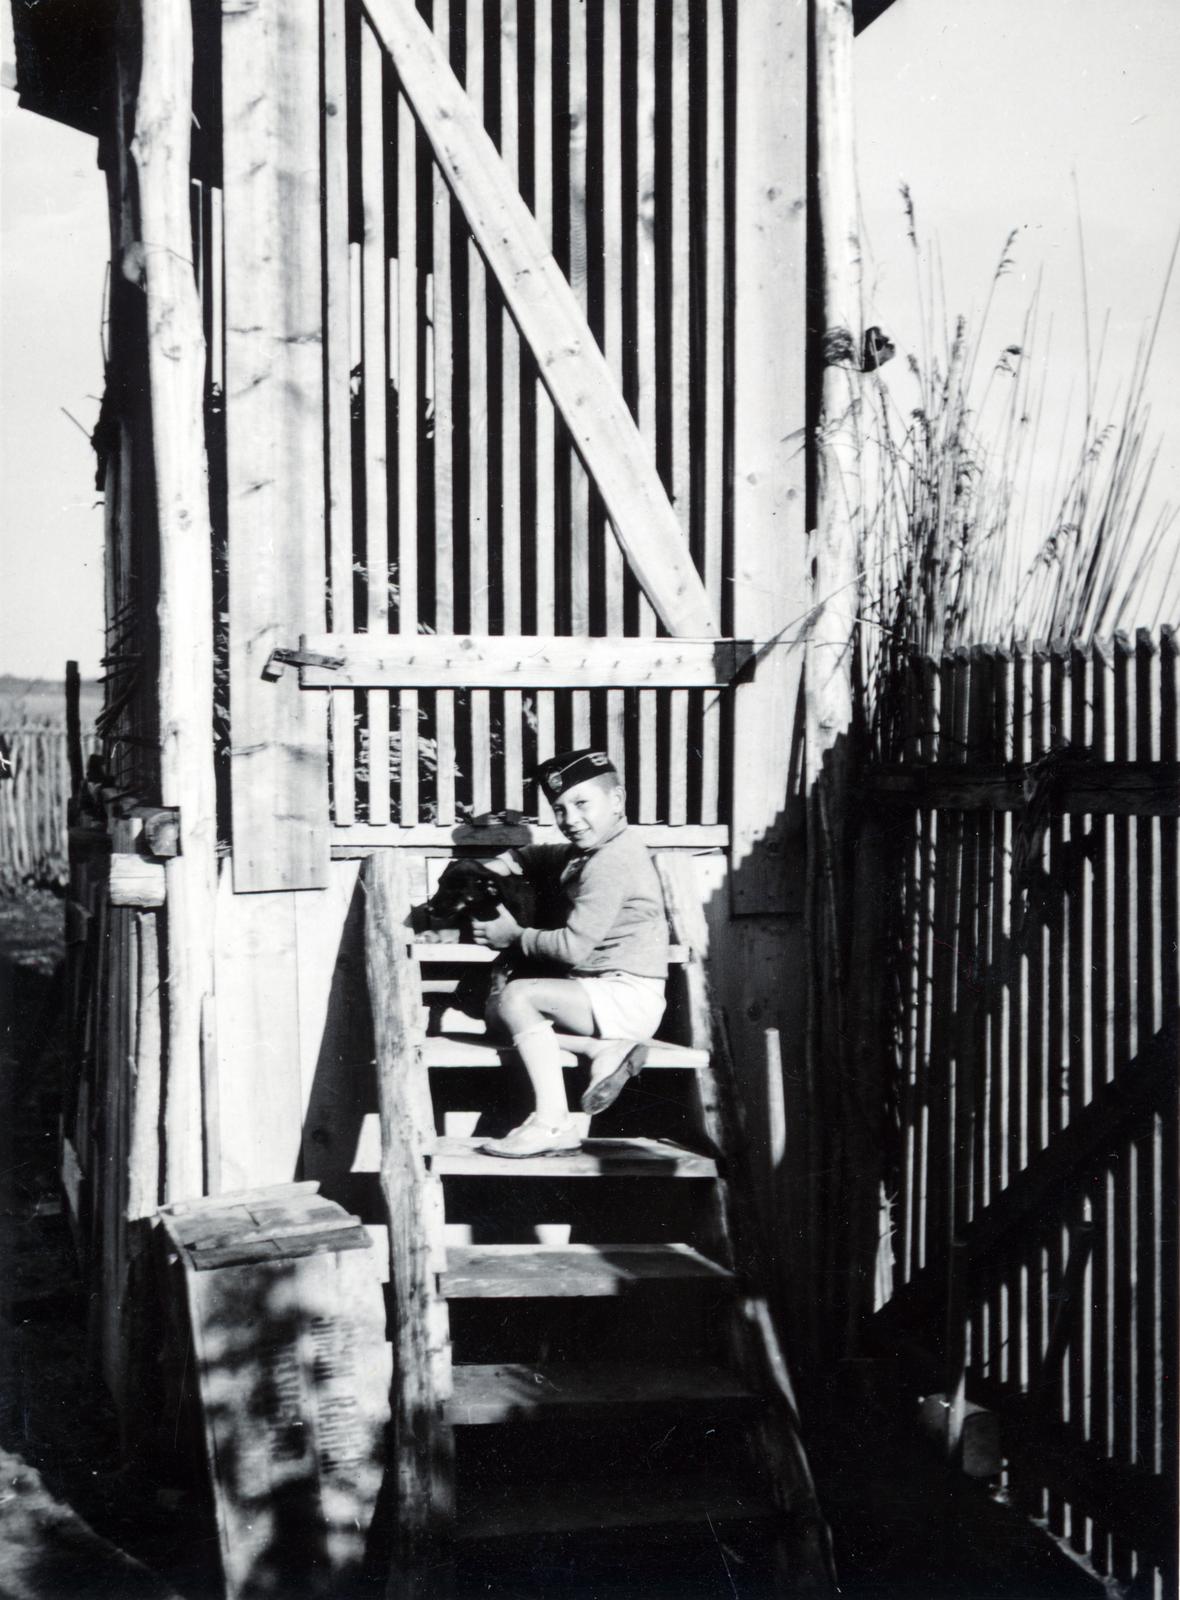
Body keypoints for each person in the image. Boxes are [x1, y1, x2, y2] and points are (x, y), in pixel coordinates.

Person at [470, 748, 668, 1157]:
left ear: (617, 800)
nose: (570, 820)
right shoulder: (591, 850)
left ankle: (553, 1122)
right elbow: (537, 854)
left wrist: (514, 936)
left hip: (625, 995)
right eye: (559, 809)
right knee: (497, 1013)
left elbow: (573, 948)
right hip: (602, 994)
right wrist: (499, 867)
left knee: (517, 997)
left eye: (582, 804)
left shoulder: (612, 860)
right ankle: (600, 1050)